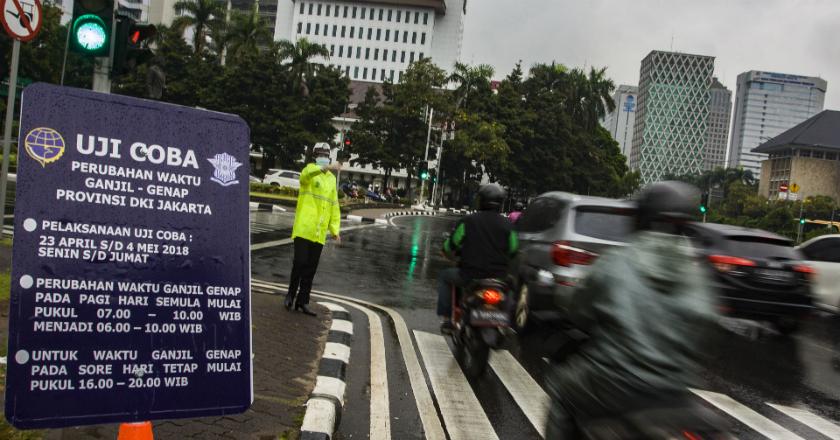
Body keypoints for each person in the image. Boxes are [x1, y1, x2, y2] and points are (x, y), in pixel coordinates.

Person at [544, 181, 719, 438]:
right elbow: (708, 328)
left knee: (561, 389)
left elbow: (578, 308)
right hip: (672, 391)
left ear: (640, 220)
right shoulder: (697, 273)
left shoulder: (617, 261)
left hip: (610, 379)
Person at [437, 183, 519, 333]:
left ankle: (448, 320)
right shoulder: (509, 226)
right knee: (513, 287)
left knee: (445, 277)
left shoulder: (468, 221)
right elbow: (514, 250)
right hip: (498, 279)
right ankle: (506, 324)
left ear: (481, 201)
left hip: (469, 275)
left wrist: (445, 251)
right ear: (500, 204)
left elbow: (452, 244)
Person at [284, 145, 342, 316]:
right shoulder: (308, 171)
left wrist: (335, 230)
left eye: (326, 155)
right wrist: (323, 168)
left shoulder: (331, 179)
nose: (323, 157)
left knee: (311, 268)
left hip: (319, 232)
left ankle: (303, 301)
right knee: (300, 263)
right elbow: (305, 177)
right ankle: (290, 295)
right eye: (320, 155)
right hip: (304, 228)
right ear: (315, 156)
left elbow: (334, 205)